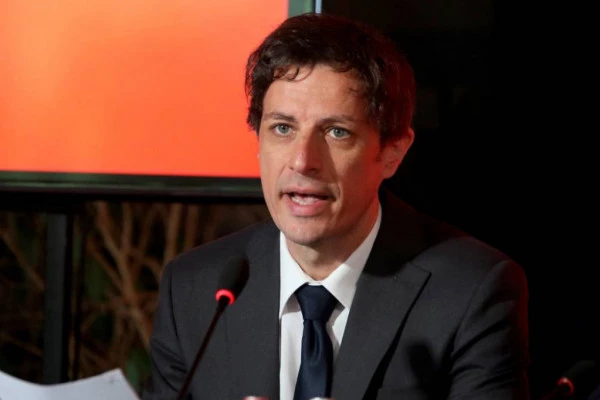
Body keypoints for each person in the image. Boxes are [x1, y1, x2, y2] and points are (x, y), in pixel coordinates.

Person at [142, 12, 530, 400]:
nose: (302, 161)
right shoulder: (195, 289)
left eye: (336, 132)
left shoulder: (470, 290)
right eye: (282, 128)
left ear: (393, 153)